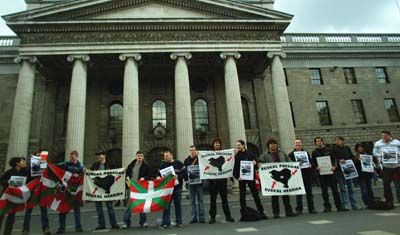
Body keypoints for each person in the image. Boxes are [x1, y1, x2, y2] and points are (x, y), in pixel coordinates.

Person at [259, 139, 297, 218]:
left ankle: (288, 211)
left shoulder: (282, 153)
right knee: (274, 197)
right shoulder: (265, 154)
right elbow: (260, 162)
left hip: (283, 176)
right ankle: (276, 213)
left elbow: (289, 161)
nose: (273, 146)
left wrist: (294, 166)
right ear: (268, 146)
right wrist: (260, 165)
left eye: (274, 144)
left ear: (276, 145)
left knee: (286, 196)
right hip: (273, 179)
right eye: (271, 144)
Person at [233, 140, 267, 219]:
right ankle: (243, 213)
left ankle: (261, 212)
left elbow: (257, 165)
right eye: (237, 145)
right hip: (242, 179)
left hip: (251, 178)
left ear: (243, 145)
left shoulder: (251, 154)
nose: (238, 147)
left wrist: (255, 163)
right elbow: (235, 168)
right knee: (242, 197)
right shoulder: (237, 156)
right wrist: (237, 177)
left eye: (239, 145)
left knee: (255, 195)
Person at [311, 137, 347, 212]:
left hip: (331, 172)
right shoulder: (314, 152)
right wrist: (316, 167)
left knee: (335, 190)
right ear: (315, 143)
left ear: (322, 142)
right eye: (317, 141)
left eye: (320, 141)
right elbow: (313, 162)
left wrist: (334, 166)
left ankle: (339, 206)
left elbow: (334, 159)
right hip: (321, 174)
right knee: (324, 191)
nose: (319, 142)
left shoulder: (329, 150)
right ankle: (327, 207)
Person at [22, 152, 51, 235]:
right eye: (37, 156)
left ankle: (46, 228)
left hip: (42, 191)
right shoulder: (29, 168)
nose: (39, 157)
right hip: (33, 191)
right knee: (28, 210)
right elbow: (27, 179)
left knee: (44, 210)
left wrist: (45, 168)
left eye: (40, 156)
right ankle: (25, 229)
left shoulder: (46, 167)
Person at [90, 150, 120, 230]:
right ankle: (101, 224)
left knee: (110, 207)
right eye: (97, 155)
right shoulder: (95, 165)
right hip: (97, 189)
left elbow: (115, 174)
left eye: (100, 155)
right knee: (99, 208)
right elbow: (90, 174)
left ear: (104, 155)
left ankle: (114, 224)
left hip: (107, 189)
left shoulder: (110, 164)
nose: (98, 156)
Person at [56, 151, 84, 234]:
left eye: (73, 157)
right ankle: (61, 228)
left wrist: (79, 175)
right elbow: (56, 167)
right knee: (62, 208)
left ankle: (78, 227)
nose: (71, 159)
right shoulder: (66, 164)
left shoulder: (81, 166)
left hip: (75, 190)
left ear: (76, 157)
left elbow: (84, 176)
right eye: (70, 157)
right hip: (66, 189)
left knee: (76, 209)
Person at [208, 138, 235, 224]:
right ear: (213, 145)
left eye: (218, 143)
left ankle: (228, 216)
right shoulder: (209, 154)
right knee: (213, 200)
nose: (216, 145)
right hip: (212, 182)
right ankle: (212, 217)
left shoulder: (224, 154)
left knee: (224, 200)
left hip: (222, 181)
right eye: (215, 143)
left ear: (220, 145)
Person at [0, 157, 29, 235]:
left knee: (11, 216)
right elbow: (1, 180)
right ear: (17, 163)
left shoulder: (25, 172)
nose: (24, 162)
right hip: (6, 196)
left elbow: (29, 182)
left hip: (15, 197)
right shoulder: (9, 172)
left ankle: (7, 233)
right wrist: (7, 181)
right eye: (22, 161)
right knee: (1, 214)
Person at [288, 138, 317, 214]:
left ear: (301, 144)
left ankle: (311, 208)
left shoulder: (306, 153)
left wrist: (311, 165)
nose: (298, 144)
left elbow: (311, 162)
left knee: (309, 193)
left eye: (299, 143)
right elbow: (288, 165)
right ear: (294, 145)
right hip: (297, 176)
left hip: (307, 174)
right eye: (296, 143)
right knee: (299, 193)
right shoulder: (291, 154)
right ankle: (299, 209)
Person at [372, 130, 400, 209]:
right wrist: (381, 155)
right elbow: (374, 153)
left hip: (397, 165)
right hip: (386, 166)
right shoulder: (378, 143)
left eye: (385, 136)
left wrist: (398, 154)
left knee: (398, 183)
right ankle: (389, 201)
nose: (383, 137)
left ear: (389, 135)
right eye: (382, 136)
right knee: (386, 184)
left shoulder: (397, 142)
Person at [123, 151, 150, 228]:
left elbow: (149, 175)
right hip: (131, 187)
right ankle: (126, 222)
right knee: (129, 205)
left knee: (142, 205)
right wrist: (127, 177)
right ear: (136, 156)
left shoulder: (146, 166)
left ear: (143, 157)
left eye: (141, 156)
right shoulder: (131, 165)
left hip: (141, 188)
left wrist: (144, 178)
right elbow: (127, 174)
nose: (139, 157)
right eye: (138, 156)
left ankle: (143, 222)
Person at [332, 136, 360, 210]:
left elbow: (351, 156)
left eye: (338, 140)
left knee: (351, 188)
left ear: (342, 141)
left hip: (348, 169)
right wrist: (339, 160)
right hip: (339, 170)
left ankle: (354, 204)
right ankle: (345, 204)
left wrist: (356, 159)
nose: (336, 141)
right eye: (336, 140)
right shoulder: (334, 149)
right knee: (342, 188)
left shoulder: (347, 148)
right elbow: (333, 158)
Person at [159, 150, 185, 228]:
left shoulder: (178, 163)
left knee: (178, 205)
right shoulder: (162, 165)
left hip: (177, 188)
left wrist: (178, 176)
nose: (165, 157)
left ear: (171, 155)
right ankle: (166, 222)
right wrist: (158, 177)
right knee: (166, 206)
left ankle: (179, 221)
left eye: (167, 156)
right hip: (167, 189)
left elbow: (185, 173)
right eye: (164, 156)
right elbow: (158, 174)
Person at [183, 145, 206, 223]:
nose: (192, 152)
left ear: (196, 151)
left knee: (201, 200)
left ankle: (202, 218)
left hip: (199, 183)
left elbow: (204, 168)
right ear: (189, 151)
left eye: (193, 150)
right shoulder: (186, 160)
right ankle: (194, 218)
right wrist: (186, 180)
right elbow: (184, 171)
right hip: (191, 184)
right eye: (191, 150)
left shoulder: (200, 159)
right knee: (192, 201)